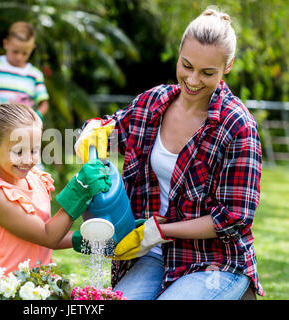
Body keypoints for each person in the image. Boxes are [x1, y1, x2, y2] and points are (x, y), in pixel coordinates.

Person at [75, 8, 263, 299]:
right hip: (151, 255)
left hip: (215, 261)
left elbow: (233, 218)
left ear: (228, 66)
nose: (193, 79)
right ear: (178, 54)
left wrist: (157, 232)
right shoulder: (153, 103)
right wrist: (91, 131)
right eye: (186, 65)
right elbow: (112, 132)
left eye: (207, 72)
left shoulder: (238, 126)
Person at [0, 103, 111, 300]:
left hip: (41, 289)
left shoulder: (36, 179)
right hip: (3, 293)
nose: (27, 159)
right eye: (18, 152)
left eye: (34, 150)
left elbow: (44, 233)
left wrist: (91, 240)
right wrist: (79, 190)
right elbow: (47, 236)